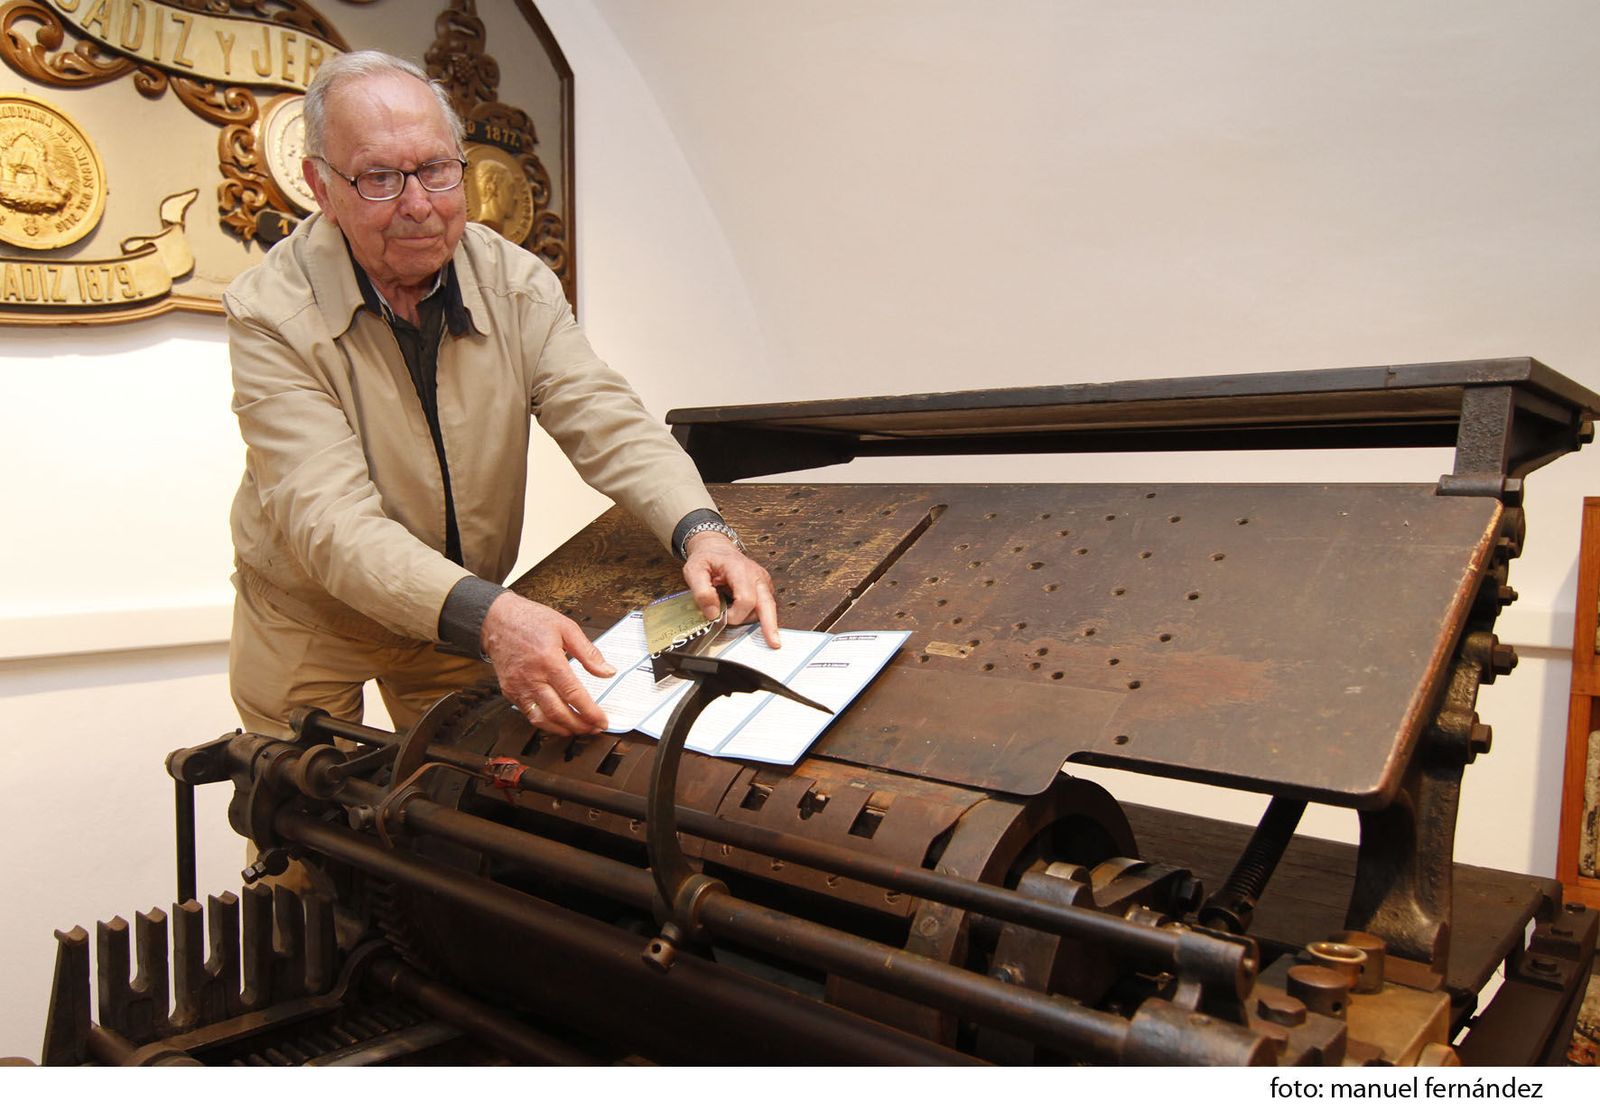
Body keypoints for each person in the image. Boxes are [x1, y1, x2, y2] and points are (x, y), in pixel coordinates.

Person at [225, 50, 778, 741]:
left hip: (452, 615)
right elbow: (330, 522)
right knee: (305, 819)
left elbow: (604, 417)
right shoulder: (268, 313)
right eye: (379, 179)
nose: (418, 205)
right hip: (311, 622)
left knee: (459, 808)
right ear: (320, 184)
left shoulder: (515, 281)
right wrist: (491, 615)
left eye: (435, 170)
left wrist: (701, 528)